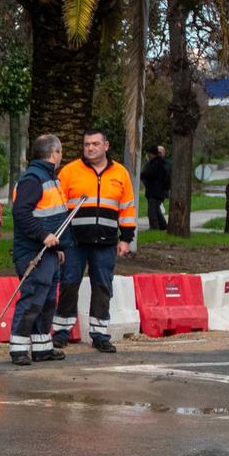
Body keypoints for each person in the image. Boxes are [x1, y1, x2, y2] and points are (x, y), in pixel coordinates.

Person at [53, 128, 137, 354]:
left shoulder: (120, 173)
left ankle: (100, 334)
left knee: (102, 286)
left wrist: (126, 238)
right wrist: (58, 237)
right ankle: (61, 332)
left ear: (106, 146)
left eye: (95, 144)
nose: (90, 148)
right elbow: (57, 206)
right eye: (87, 144)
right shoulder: (70, 171)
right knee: (69, 283)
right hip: (74, 241)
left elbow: (127, 208)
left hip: (106, 242)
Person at [10, 134, 69, 366]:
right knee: (34, 298)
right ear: (54, 153)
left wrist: (58, 247)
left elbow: (52, 217)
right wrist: (44, 236)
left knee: (47, 301)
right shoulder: (33, 179)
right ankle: (19, 348)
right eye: (61, 152)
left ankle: (42, 347)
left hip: (49, 252)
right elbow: (21, 213)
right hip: (33, 252)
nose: (61, 156)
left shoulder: (48, 177)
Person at [140, 142, 171, 232]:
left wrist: (141, 175)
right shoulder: (160, 163)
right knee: (157, 210)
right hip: (157, 191)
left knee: (152, 211)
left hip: (155, 191)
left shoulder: (156, 163)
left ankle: (154, 227)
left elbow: (149, 174)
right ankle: (163, 225)